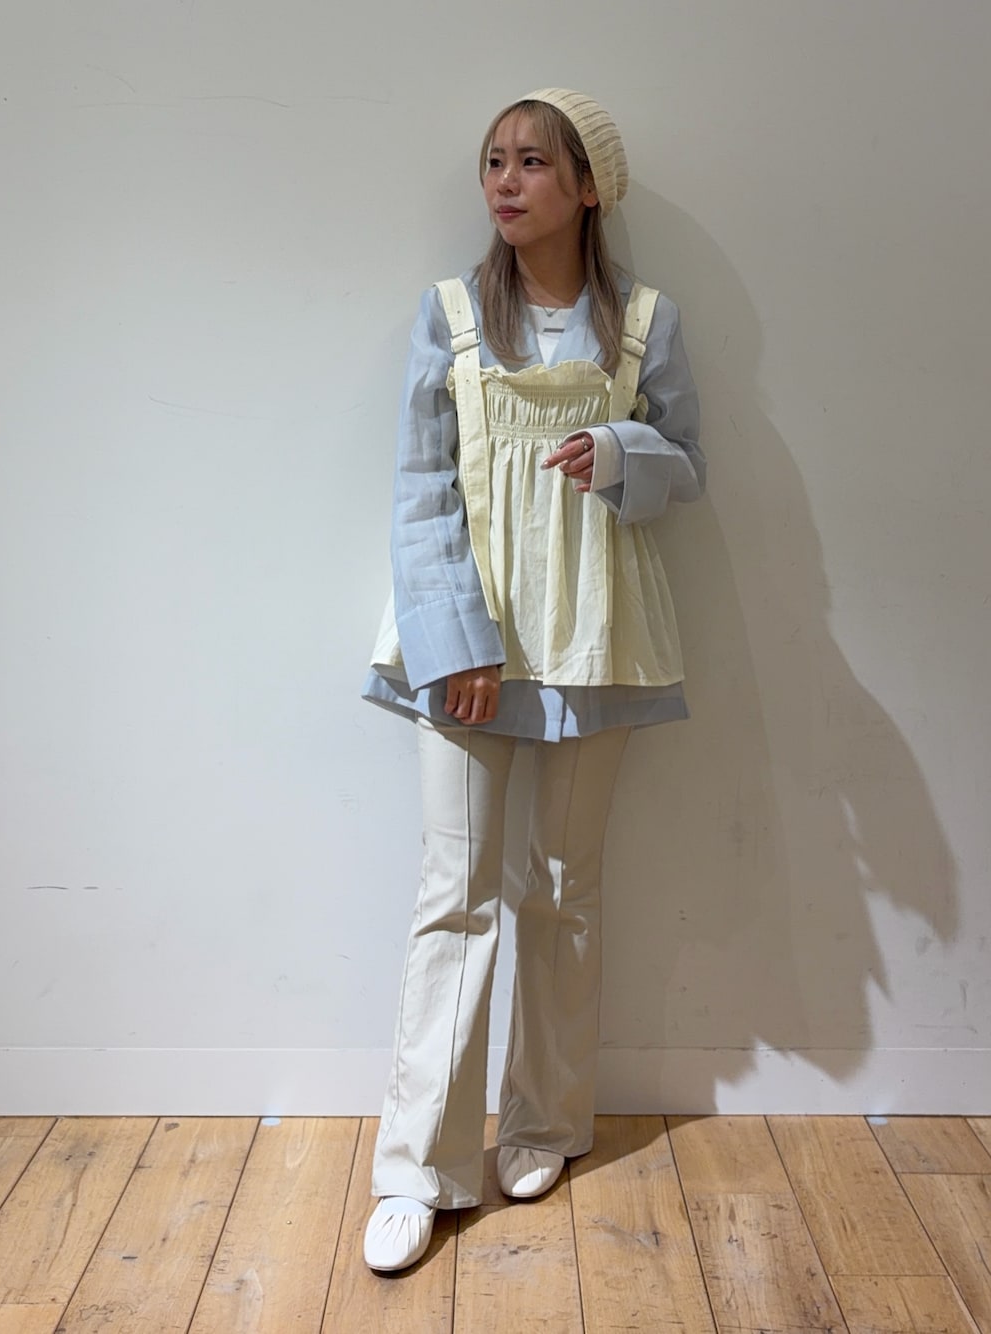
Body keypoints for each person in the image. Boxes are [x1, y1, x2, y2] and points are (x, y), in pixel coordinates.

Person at [360, 88, 704, 1271]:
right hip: (466, 643)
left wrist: (619, 451)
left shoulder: (644, 322)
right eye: (493, 162)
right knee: (452, 892)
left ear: (588, 186)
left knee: (560, 889)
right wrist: (455, 638)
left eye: (532, 163)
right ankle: (419, 1166)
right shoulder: (451, 313)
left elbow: (687, 464)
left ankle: (544, 1124)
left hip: (597, 634)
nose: (505, 182)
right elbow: (419, 488)